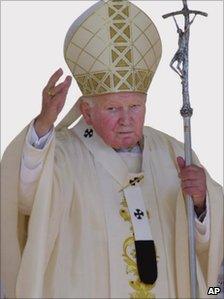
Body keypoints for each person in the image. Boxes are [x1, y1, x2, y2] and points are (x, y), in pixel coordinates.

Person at [1, 0, 223, 298]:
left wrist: (201, 203)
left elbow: (209, 247)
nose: (126, 121)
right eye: (113, 109)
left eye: (135, 107)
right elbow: (24, 200)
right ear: (86, 110)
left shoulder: (173, 153)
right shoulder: (61, 154)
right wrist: (43, 125)